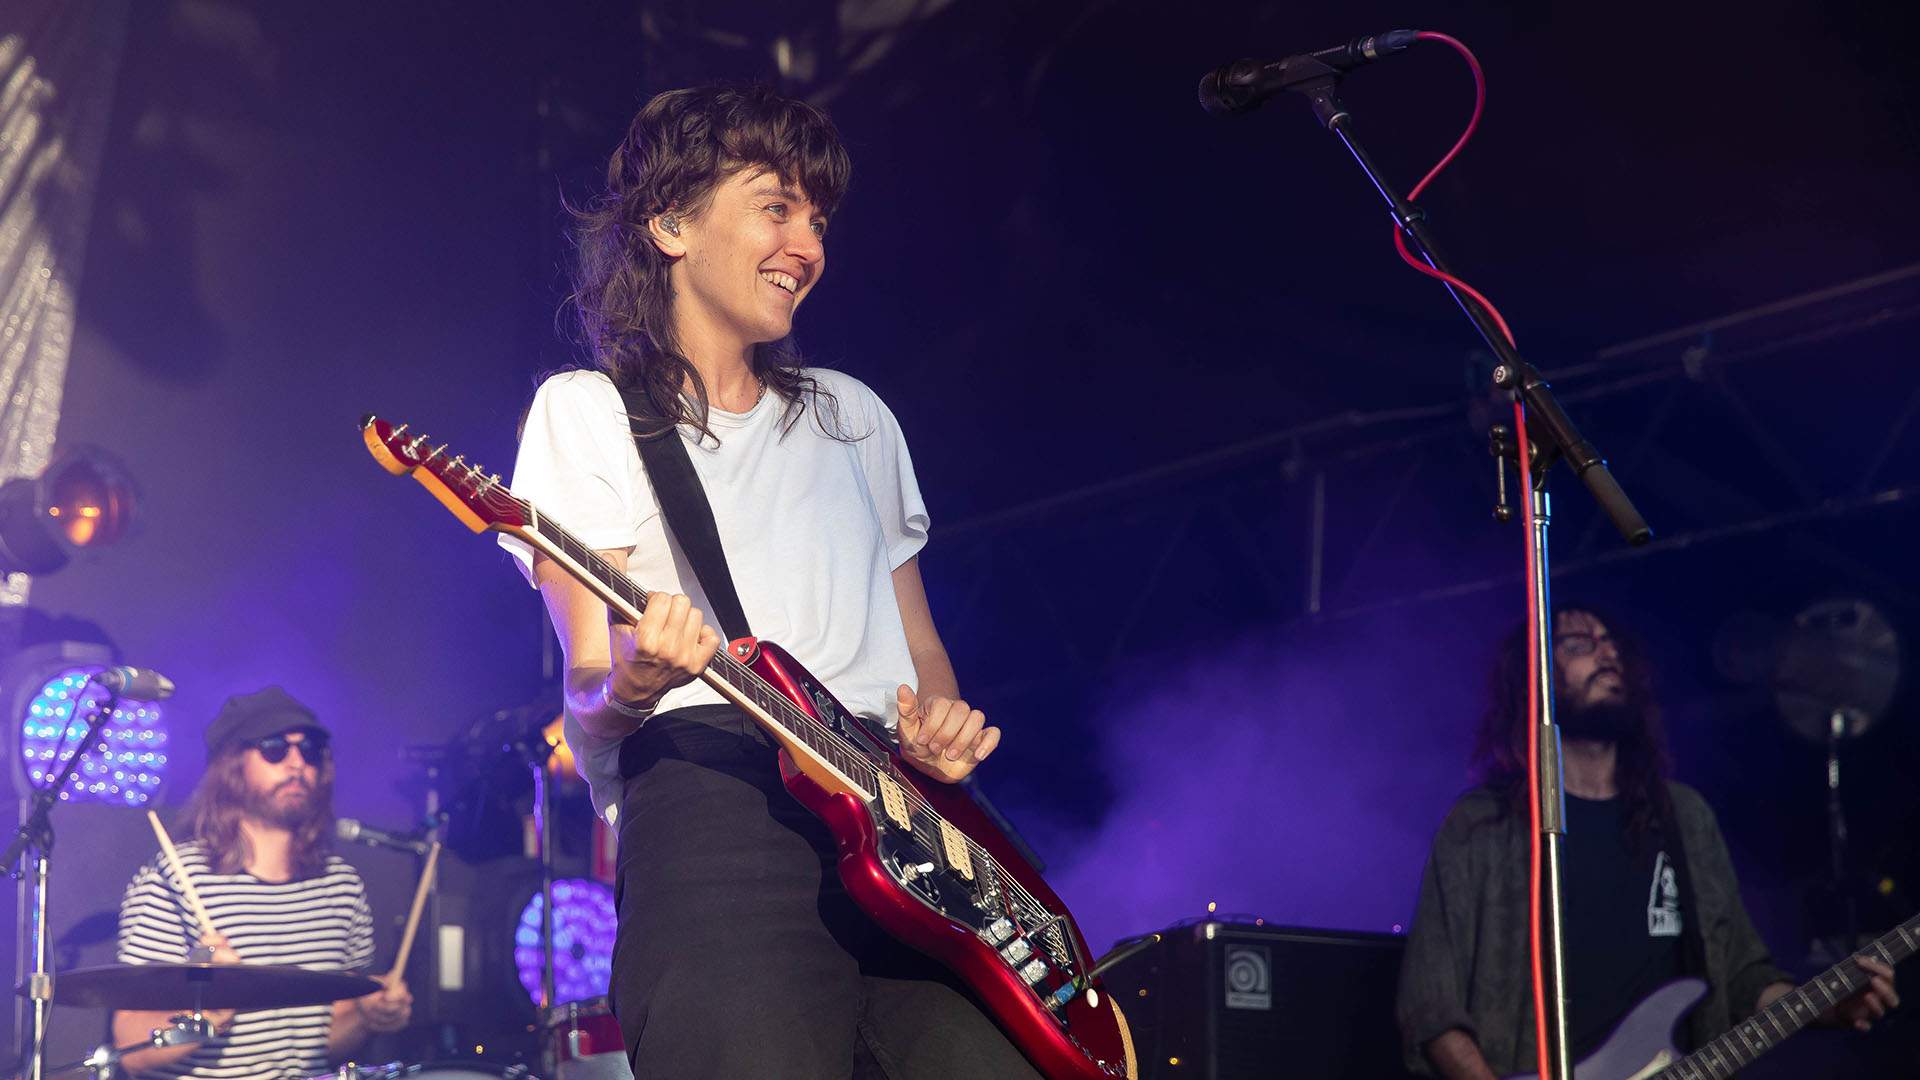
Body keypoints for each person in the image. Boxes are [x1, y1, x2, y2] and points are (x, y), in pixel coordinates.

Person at [501, 83, 1041, 1078]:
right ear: (670, 224)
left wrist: (942, 725)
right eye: (775, 207)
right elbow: (587, 694)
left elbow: (919, 651)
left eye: (818, 218)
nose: (807, 245)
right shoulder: (587, 415)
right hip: (719, 825)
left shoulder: (852, 417)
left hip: (904, 834)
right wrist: (636, 678)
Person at [1395, 606, 1901, 1078]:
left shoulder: (1684, 818)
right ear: (1530, 679)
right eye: (1578, 643)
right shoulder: (1481, 826)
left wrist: (1827, 1007)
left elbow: (1742, 978)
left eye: (1611, 643)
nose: (1607, 652)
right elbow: (1431, 1005)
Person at [113, 686, 412, 1078]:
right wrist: (208, 1013)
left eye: (310, 749)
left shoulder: (340, 886)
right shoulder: (173, 880)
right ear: (232, 765)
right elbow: (133, 1050)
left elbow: (327, 1041)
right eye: (274, 748)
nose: (296, 763)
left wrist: (366, 1016)